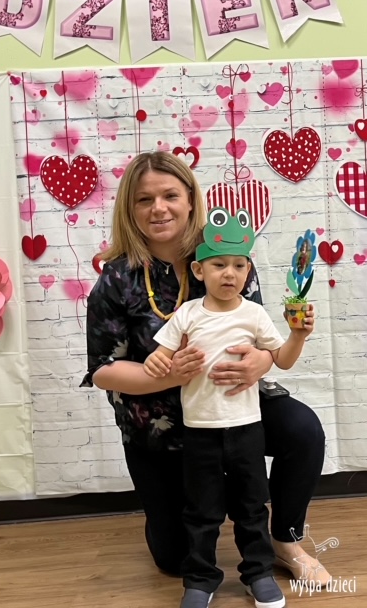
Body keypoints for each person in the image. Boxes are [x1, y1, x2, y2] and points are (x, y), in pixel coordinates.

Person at [81, 152, 327, 595]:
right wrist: (168, 376)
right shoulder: (117, 278)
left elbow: (261, 336)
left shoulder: (226, 254)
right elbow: (102, 370)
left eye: (170, 196)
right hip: (159, 425)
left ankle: (282, 539)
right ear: (129, 209)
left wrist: (263, 360)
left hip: (233, 406)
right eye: (144, 199)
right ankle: (217, 499)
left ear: (191, 200)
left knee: (302, 430)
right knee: (174, 559)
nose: (159, 208)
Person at [143, 205, 315, 608]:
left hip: (246, 429)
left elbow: (282, 360)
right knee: (201, 512)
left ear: (248, 271)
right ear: (199, 270)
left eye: (239, 265)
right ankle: (201, 580)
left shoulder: (254, 315)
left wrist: (298, 335)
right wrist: (156, 362)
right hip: (199, 432)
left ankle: (258, 573)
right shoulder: (187, 314)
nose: (230, 274)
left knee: (252, 507)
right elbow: (161, 355)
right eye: (219, 265)